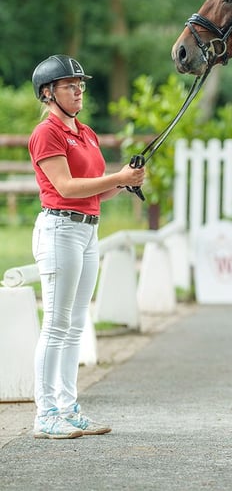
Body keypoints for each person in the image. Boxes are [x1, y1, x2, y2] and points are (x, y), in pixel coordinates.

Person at [28, 54, 146, 439]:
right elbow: (65, 187)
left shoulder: (87, 133)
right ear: (48, 93)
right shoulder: (46, 133)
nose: (78, 90)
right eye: (69, 85)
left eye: (80, 84)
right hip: (60, 230)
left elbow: (97, 190)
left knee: (77, 324)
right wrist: (116, 176)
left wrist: (125, 182)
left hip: (87, 230)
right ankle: (45, 414)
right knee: (56, 324)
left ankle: (67, 406)